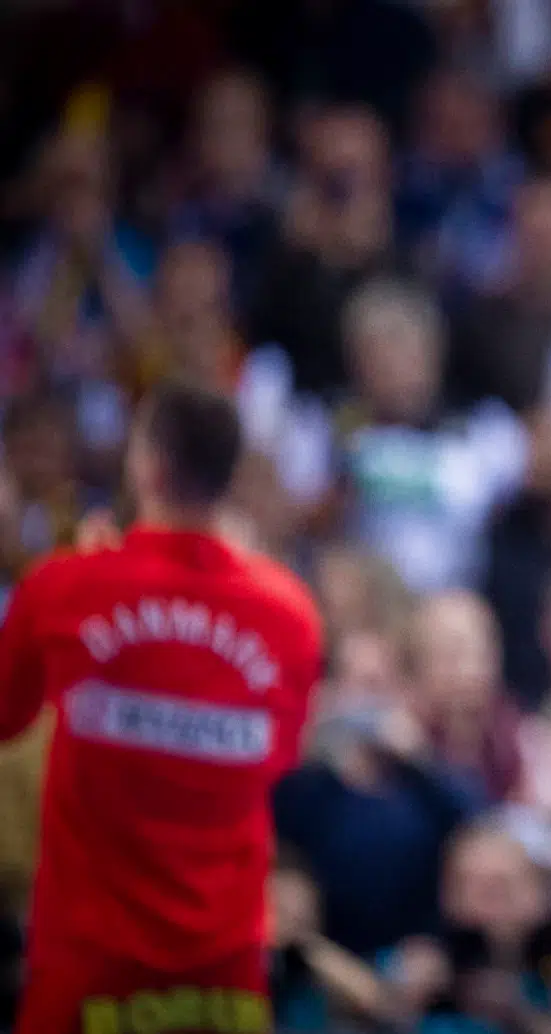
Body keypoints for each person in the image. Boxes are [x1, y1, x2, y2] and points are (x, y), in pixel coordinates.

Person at [0, 380, 325, 1034]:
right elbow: (279, 756)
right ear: (230, 477)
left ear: (146, 465)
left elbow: (6, 717)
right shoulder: (289, 615)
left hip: (86, 978)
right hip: (223, 983)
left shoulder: (66, 588)